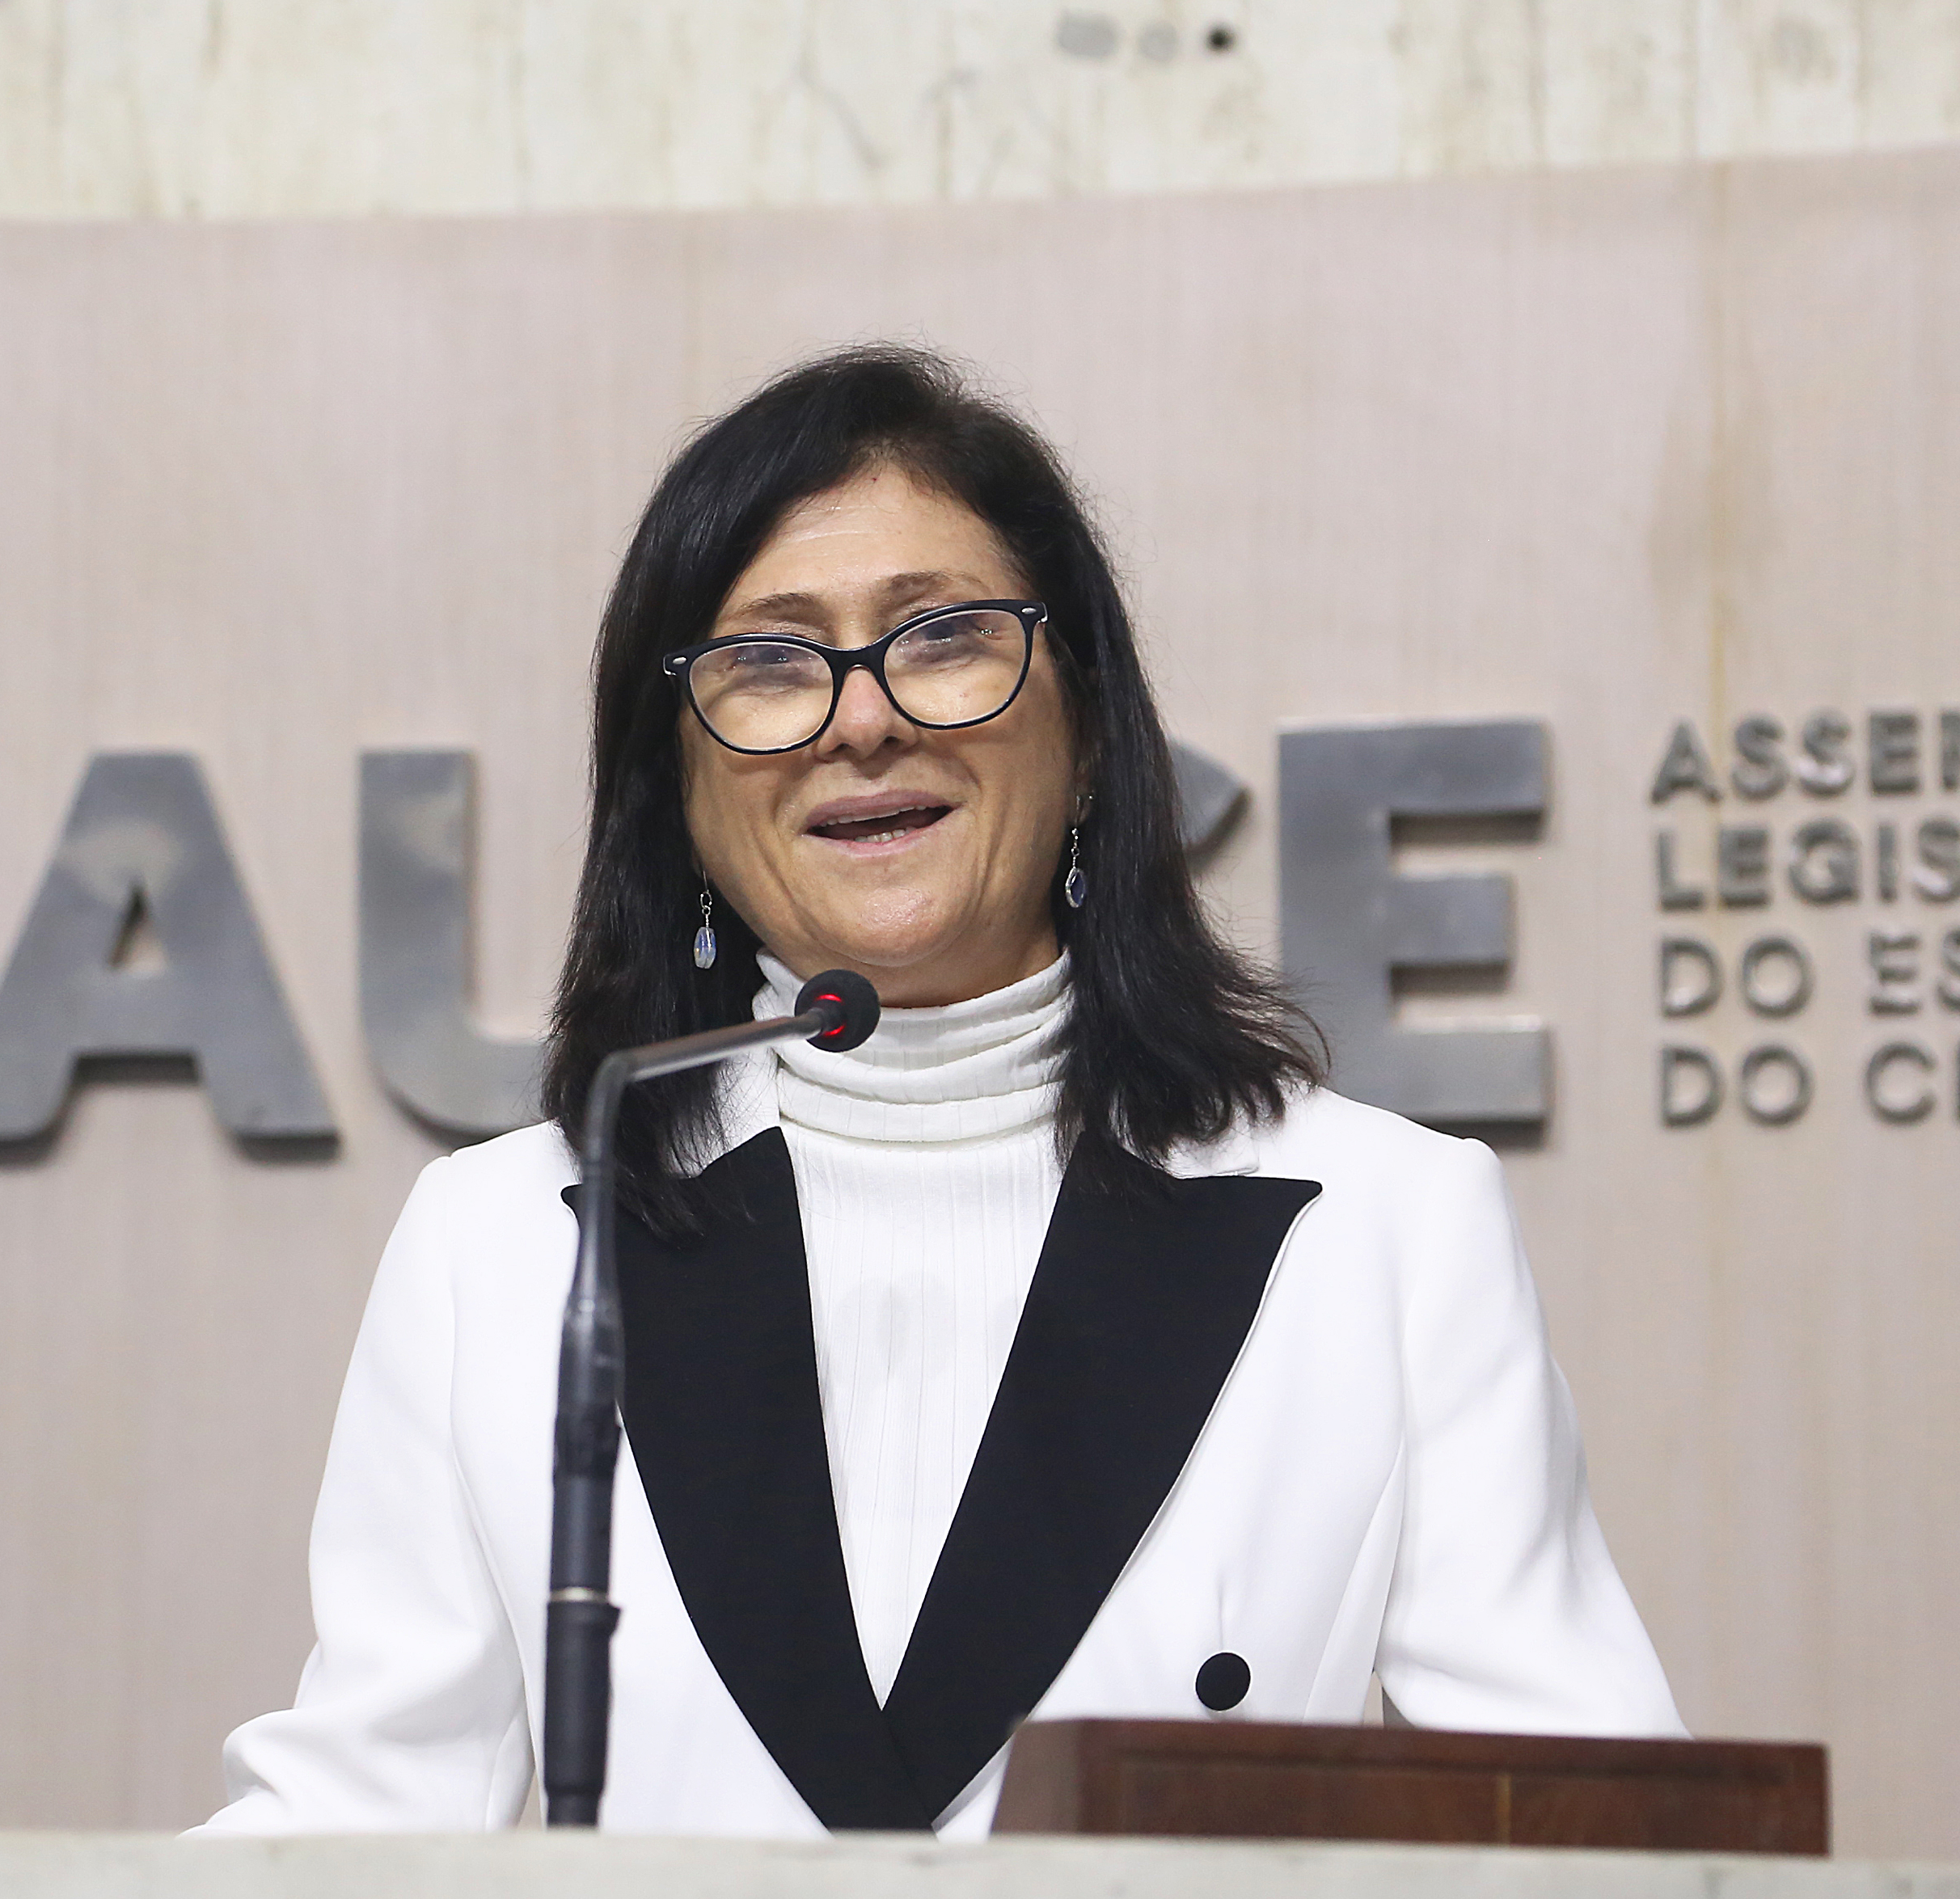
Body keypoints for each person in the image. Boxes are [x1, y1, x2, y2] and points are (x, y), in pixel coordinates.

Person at [192, 345, 1681, 1840]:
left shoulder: (1387, 1225)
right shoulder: (504, 1242)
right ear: (681, 794)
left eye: (944, 636)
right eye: (770, 662)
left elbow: (1590, 1828)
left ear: (1087, 732)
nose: (862, 721)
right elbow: (358, 1816)